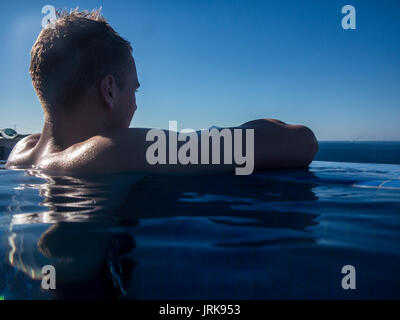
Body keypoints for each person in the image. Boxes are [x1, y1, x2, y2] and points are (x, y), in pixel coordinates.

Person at [5, 9, 318, 175]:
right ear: (110, 90)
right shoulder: (108, 151)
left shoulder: (20, 154)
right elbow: (302, 143)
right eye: (135, 91)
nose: (137, 105)